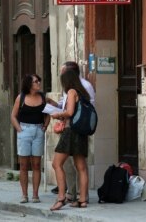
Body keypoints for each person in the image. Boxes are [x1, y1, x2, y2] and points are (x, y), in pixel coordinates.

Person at [49, 61, 95, 201]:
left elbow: (69, 111)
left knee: (57, 164)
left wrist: (58, 115)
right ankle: (82, 199)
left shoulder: (71, 91)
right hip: (80, 130)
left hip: (71, 130)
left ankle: (62, 196)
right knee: (80, 166)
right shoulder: (82, 90)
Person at [11, 74, 50, 204]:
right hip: (24, 130)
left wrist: (45, 126)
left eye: (39, 81)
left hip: (38, 130)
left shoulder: (43, 97)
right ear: (29, 84)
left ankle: (35, 195)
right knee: (23, 165)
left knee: (37, 165)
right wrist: (19, 129)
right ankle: (24, 195)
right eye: (36, 81)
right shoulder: (21, 97)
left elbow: (48, 113)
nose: (39, 83)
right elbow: (13, 116)